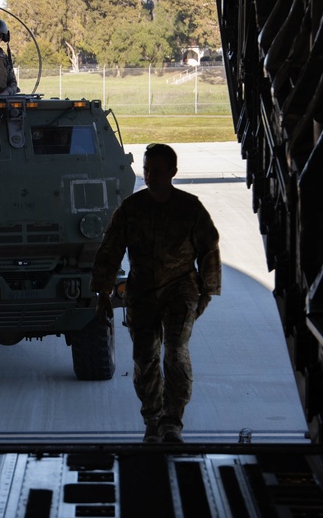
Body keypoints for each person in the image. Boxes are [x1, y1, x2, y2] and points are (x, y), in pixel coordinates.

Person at [89, 143, 221, 444]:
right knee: (145, 357)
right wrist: (102, 292)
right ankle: (152, 420)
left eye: (156, 171)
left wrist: (207, 292)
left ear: (172, 172)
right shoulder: (132, 209)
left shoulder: (190, 208)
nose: (149, 176)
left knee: (175, 351)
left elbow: (209, 249)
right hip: (143, 291)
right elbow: (110, 250)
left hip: (181, 290)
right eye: (146, 170)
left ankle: (172, 421)